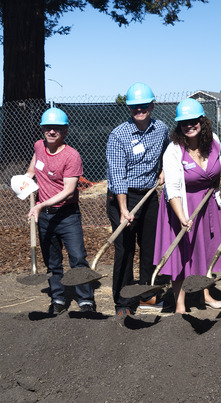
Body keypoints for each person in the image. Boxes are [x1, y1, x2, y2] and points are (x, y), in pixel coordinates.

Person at [153, 98, 221, 314]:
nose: (189, 125)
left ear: (202, 121)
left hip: (207, 205)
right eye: (184, 122)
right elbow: (173, 188)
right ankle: (180, 304)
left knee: (204, 249)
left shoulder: (213, 140)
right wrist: (182, 216)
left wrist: (216, 177)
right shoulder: (174, 150)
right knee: (181, 253)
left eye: (193, 121)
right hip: (182, 206)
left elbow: (220, 157)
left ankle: (205, 294)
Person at [106, 82, 169, 316]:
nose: (139, 110)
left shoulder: (160, 129)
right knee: (125, 249)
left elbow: (168, 151)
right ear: (129, 109)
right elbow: (117, 176)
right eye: (134, 107)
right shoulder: (118, 135)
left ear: (152, 105)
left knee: (150, 246)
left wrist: (164, 169)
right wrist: (123, 208)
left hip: (150, 194)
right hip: (123, 197)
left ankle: (146, 294)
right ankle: (123, 301)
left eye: (143, 106)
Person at [26, 107, 95, 314]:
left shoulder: (71, 156)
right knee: (52, 260)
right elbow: (31, 171)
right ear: (42, 129)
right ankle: (57, 299)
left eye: (57, 128)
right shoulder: (39, 147)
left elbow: (69, 190)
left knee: (77, 258)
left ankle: (85, 301)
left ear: (65, 131)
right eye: (48, 127)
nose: (52, 131)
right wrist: (24, 181)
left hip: (67, 215)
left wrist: (41, 204)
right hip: (45, 216)